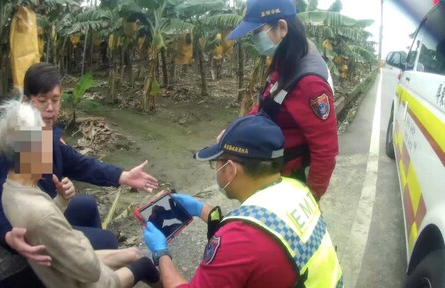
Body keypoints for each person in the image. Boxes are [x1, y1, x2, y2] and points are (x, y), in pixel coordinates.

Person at [0, 62, 158, 265]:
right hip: (36, 236)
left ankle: (94, 270)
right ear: (25, 102)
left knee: (85, 204)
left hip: (51, 214)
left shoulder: (42, 136)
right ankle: (99, 267)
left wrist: (124, 176)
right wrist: (8, 236)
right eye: (42, 101)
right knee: (108, 240)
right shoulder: (20, 143)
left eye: (56, 100)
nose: (50, 108)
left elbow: (81, 164)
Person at [143, 114, 343, 287]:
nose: (216, 169)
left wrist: (161, 254)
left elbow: (244, 240)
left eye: (216, 163)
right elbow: (264, 229)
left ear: (230, 170)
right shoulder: (297, 188)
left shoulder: (238, 241)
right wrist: (202, 209)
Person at [223, 0, 339, 200]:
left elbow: (325, 151)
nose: (254, 39)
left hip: (288, 179)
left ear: (282, 28)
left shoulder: (309, 83)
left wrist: (311, 198)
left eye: (257, 32)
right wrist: (235, 131)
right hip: (271, 169)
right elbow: (268, 104)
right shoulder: (288, 56)